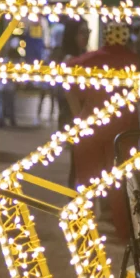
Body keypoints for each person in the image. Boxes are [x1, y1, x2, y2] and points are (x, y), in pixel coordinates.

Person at [65, 23, 140, 242]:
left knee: (86, 179)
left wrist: (78, 113)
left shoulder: (89, 59)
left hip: (91, 125)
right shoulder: (134, 60)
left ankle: (84, 228)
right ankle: (123, 231)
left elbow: (67, 77)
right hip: (123, 128)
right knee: (119, 181)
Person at [50, 19, 89, 187]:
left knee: (80, 162)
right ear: (72, 35)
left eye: (89, 32)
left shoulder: (82, 56)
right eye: (83, 32)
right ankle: (74, 199)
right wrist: (80, 118)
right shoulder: (70, 60)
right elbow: (69, 93)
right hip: (76, 116)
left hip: (81, 115)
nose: (86, 36)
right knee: (78, 161)